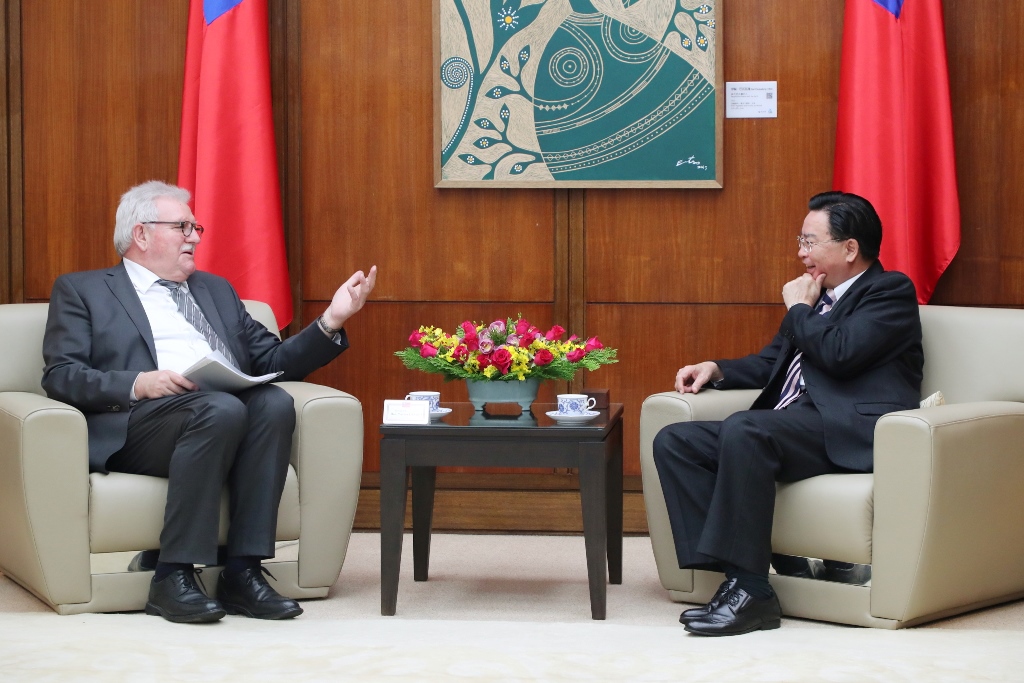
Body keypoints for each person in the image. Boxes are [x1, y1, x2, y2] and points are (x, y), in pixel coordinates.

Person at [41, 181, 377, 624]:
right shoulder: (83, 290)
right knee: (221, 408)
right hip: (138, 424)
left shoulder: (215, 289)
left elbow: (273, 360)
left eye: (195, 227)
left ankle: (242, 572)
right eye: (183, 226)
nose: (195, 236)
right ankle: (172, 575)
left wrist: (332, 319)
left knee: (273, 402)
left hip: (218, 415)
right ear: (141, 234)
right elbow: (61, 375)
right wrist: (138, 383)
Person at [652, 191, 923, 636]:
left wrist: (799, 308)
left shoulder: (889, 291)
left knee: (746, 428)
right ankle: (739, 575)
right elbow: (773, 362)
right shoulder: (817, 296)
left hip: (849, 429)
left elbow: (839, 354)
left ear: (850, 248)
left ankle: (751, 590)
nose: (800, 253)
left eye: (810, 241)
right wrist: (718, 369)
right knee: (676, 441)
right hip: (795, 424)